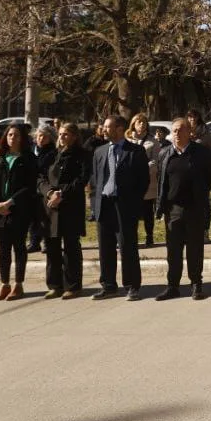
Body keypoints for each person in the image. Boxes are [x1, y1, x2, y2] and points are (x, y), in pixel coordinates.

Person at [90, 115, 151, 301]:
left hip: (124, 205)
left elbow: (143, 181)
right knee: (105, 248)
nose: (104, 129)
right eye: (104, 126)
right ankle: (108, 286)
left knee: (127, 246)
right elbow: (94, 181)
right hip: (104, 205)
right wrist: (94, 204)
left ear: (119, 128)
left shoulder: (135, 151)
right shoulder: (99, 152)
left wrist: (134, 203)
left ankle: (132, 286)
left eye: (108, 127)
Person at [155, 118, 211, 300]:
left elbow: (209, 178)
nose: (177, 134)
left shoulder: (201, 153)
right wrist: (161, 206)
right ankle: (173, 286)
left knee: (195, 249)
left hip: (194, 208)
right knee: (173, 251)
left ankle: (196, 285)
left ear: (189, 132)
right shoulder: (165, 153)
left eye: (181, 130)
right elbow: (161, 180)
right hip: (173, 209)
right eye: (174, 131)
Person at [0, 123, 39, 301]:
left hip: (19, 210)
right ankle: (4, 284)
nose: (12, 138)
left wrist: (10, 202)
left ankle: (18, 284)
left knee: (19, 248)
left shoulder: (28, 158)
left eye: (16, 135)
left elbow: (29, 186)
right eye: (9, 135)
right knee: (3, 249)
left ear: (22, 138)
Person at [40, 122, 91, 299]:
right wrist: (49, 193)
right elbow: (41, 177)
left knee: (71, 247)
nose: (62, 137)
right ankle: (55, 285)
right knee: (52, 246)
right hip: (51, 207)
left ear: (75, 136)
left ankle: (73, 285)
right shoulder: (52, 155)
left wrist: (61, 193)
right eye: (60, 134)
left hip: (70, 206)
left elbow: (82, 179)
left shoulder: (82, 155)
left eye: (66, 134)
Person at [128, 113, 160, 247]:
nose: (142, 124)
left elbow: (156, 160)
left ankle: (149, 236)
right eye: (139, 122)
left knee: (148, 211)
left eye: (144, 122)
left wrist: (144, 168)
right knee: (132, 211)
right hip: (130, 182)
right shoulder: (128, 140)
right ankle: (132, 237)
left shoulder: (153, 141)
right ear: (133, 124)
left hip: (148, 180)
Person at [28, 125, 57, 253]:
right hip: (33, 188)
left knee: (46, 217)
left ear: (50, 138)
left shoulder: (52, 152)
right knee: (33, 217)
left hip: (46, 188)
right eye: (39, 136)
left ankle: (46, 242)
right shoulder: (32, 150)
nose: (41, 138)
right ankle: (34, 242)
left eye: (45, 136)